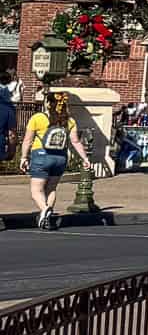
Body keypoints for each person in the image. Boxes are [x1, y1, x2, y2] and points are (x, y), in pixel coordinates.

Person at [22, 87, 92, 231]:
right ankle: (47, 218)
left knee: (36, 190)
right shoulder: (69, 121)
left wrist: (24, 157)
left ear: (48, 103)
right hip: (60, 157)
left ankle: (45, 208)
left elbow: (27, 141)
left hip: (41, 155)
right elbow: (76, 142)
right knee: (51, 188)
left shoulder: (38, 118)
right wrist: (85, 158)